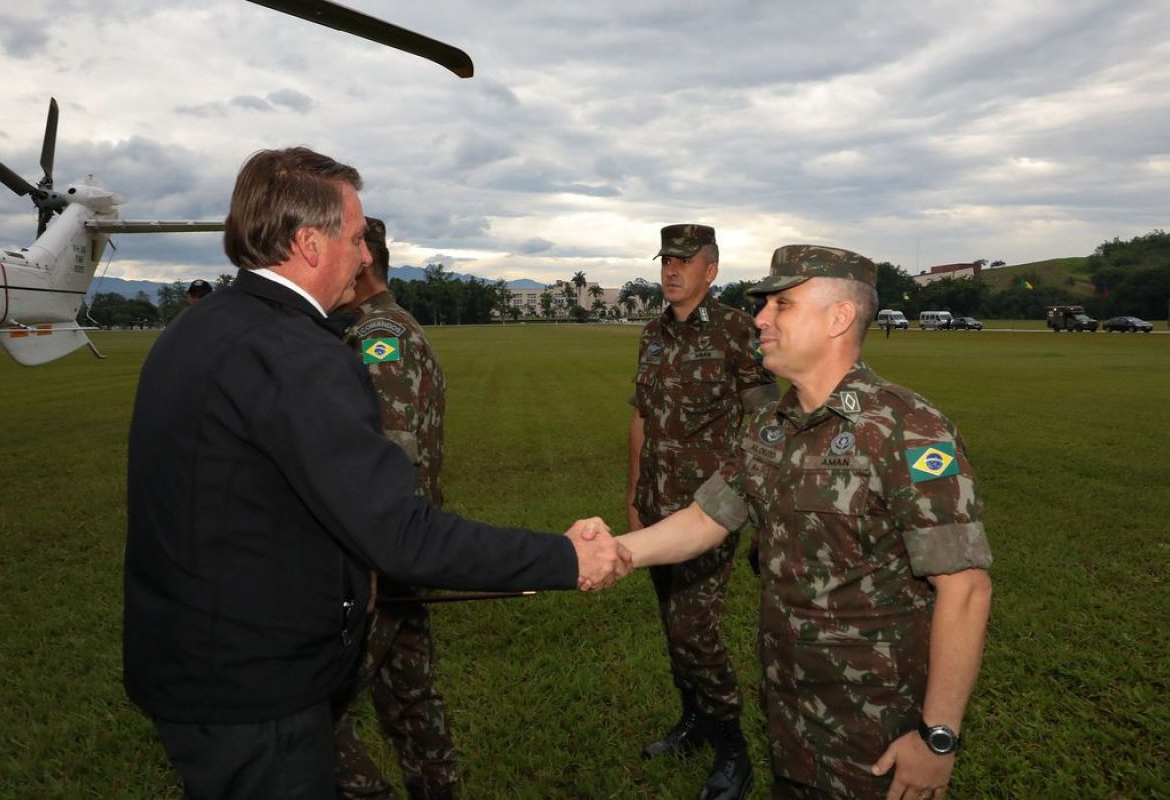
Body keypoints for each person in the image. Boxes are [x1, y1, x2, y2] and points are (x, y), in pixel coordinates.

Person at [124, 146, 629, 800]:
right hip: (254, 696)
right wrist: (563, 558)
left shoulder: (197, 329)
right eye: (357, 237)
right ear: (310, 243)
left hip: (187, 668)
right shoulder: (301, 356)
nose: (367, 256)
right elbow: (401, 535)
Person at [616, 245, 993, 799]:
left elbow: (964, 589)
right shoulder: (771, 425)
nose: (760, 319)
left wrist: (937, 736)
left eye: (781, 305)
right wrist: (615, 551)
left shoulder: (905, 428)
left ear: (839, 317)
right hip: (790, 709)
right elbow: (704, 520)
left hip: (876, 730)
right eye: (763, 306)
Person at [626, 224, 779, 800]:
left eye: (685, 261)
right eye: (667, 258)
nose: (671, 269)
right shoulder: (651, 334)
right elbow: (641, 415)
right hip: (657, 505)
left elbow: (767, 422)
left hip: (710, 508)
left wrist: (763, 510)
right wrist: (633, 491)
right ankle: (693, 719)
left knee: (695, 629)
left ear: (710, 271)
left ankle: (732, 750)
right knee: (672, 624)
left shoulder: (739, 332)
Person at [331, 217, 457, 800]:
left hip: (382, 555)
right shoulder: (379, 327)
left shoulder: (380, 335)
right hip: (404, 548)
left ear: (361, 261)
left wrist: (374, 558)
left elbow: (391, 455)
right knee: (409, 692)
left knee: (314, 711)